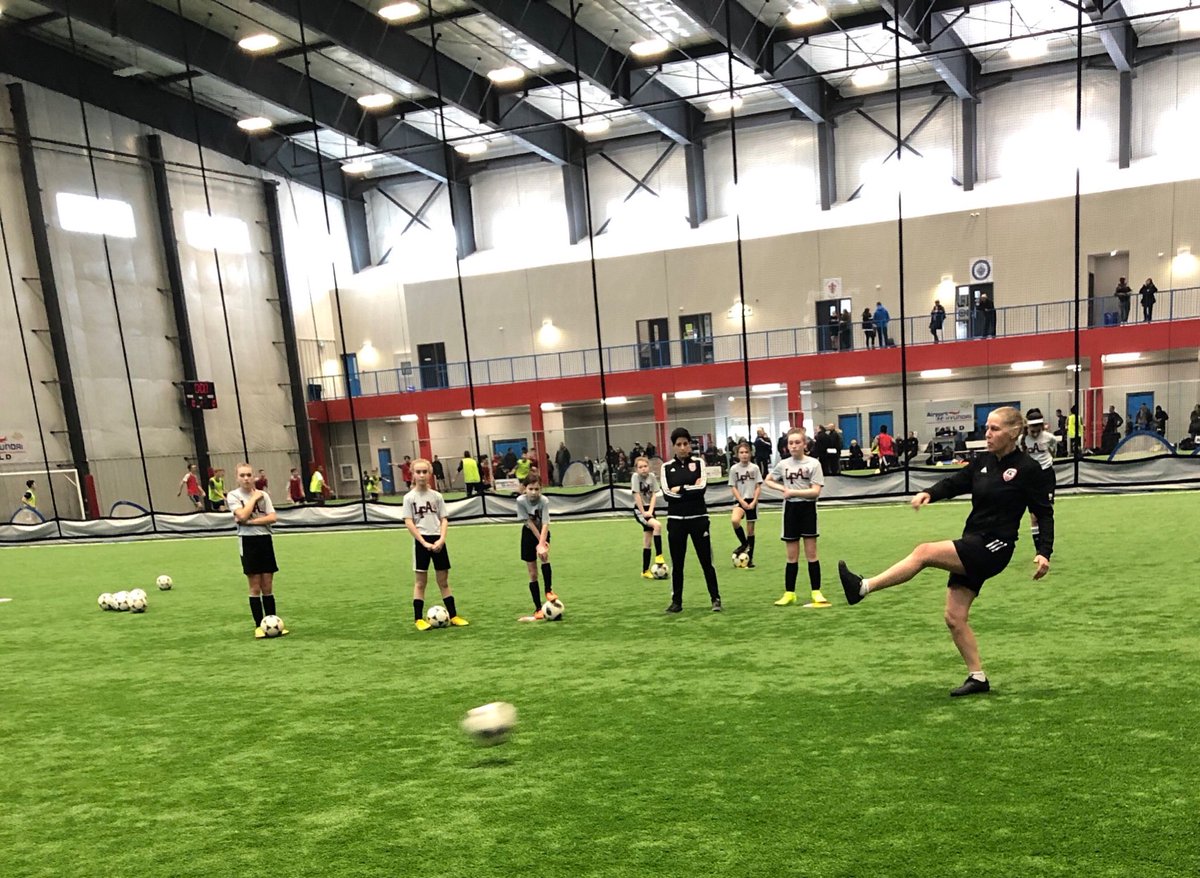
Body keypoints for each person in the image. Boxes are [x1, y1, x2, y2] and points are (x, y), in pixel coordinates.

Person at [837, 406, 1054, 697]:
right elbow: (955, 483)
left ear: (1014, 433)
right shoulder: (982, 462)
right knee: (954, 617)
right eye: (987, 428)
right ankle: (978, 677)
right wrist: (930, 493)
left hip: (995, 547)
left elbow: (1044, 513)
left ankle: (863, 588)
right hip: (973, 540)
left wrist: (1044, 551)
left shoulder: (1028, 469)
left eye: (995, 429)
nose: (987, 434)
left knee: (924, 551)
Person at [765, 427, 830, 608]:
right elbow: (768, 480)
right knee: (791, 556)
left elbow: (816, 491)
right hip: (790, 511)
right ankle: (789, 593)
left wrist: (792, 491)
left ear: (805, 444)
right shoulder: (783, 464)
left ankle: (816, 592)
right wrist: (782, 490)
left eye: (797, 442)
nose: (794, 446)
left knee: (811, 554)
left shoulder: (813, 464)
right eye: (790, 443)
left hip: (807, 509)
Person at [661, 427, 723, 614]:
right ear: (673, 446)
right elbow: (667, 494)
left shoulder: (699, 463)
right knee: (677, 563)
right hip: (676, 521)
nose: (682, 447)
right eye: (678, 444)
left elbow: (702, 488)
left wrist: (679, 489)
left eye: (685, 444)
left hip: (699, 519)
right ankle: (676, 601)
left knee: (706, 561)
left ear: (690, 445)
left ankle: (715, 598)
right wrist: (687, 488)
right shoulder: (666, 468)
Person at [403, 459, 467, 630]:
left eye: (425, 472)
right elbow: (409, 522)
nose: (422, 475)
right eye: (418, 472)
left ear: (430, 473)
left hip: (438, 540)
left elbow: (444, 519)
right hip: (421, 542)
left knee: (443, 581)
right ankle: (418, 619)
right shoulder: (409, 498)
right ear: (413, 474)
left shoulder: (437, 496)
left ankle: (453, 616)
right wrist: (423, 542)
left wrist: (441, 539)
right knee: (420, 582)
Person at [226, 462, 286, 639]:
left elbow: (273, 517)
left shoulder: (264, 496)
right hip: (248, 541)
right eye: (242, 475)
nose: (246, 478)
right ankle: (259, 625)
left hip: (265, 540)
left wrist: (251, 522)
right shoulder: (233, 496)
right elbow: (242, 515)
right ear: (237, 478)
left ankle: (272, 621)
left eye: (249, 475)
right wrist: (253, 499)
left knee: (267, 584)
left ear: (254, 477)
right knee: (255, 586)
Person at [516, 474, 558, 620]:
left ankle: (548, 590)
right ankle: (538, 608)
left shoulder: (544, 501)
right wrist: (539, 542)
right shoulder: (520, 501)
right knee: (533, 573)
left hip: (543, 532)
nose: (533, 492)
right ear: (525, 489)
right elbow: (529, 522)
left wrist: (542, 542)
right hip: (528, 534)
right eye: (530, 489)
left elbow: (545, 522)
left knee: (544, 557)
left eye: (537, 489)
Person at [1019, 408, 1058, 557]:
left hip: (1046, 476)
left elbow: (1053, 452)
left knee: (1046, 512)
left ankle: (1046, 548)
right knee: (1034, 516)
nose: (1034, 432)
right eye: (1031, 429)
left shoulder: (1050, 438)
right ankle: (1038, 550)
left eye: (1037, 429)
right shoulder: (1022, 440)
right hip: (1030, 478)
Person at [728, 442, 763, 568]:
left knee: (751, 531)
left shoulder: (754, 468)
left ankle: (750, 558)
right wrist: (741, 501)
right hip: (740, 500)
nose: (744, 455)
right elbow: (733, 487)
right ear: (737, 454)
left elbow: (758, 486)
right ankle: (744, 544)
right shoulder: (734, 469)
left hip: (751, 500)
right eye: (741, 452)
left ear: (750, 454)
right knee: (735, 520)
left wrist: (754, 501)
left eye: (746, 452)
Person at [631, 456, 666, 578]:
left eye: (645, 466)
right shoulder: (635, 477)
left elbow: (654, 495)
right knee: (657, 525)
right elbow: (637, 496)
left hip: (649, 510)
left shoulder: (651, 477)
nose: (643, 469)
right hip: (640, 511)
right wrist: (644, 512)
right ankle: (659, 556)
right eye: (640, 467)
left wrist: (650, 510)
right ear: (636, 469)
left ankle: (645, 571)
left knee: (647, 541)